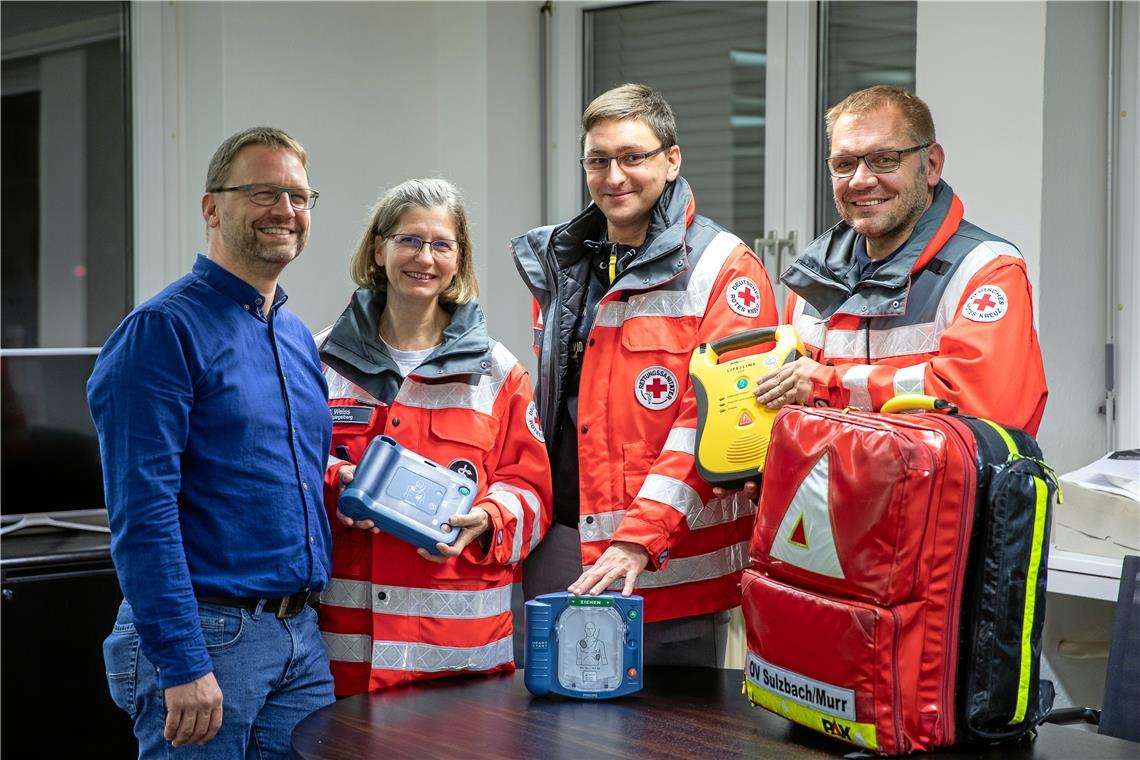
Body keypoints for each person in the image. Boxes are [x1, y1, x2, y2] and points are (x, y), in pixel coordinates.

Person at [511, 83, 779, 667]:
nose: (614, 176)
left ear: (672, 159)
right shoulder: (566, 264)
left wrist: (639, 537)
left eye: (633, 157)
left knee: (672, 741)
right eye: (598, 160)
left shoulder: (723, 269)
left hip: (668, 563)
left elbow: (712, 426)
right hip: (561, 545)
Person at [88, 127, 334, 758]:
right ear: (212, 207)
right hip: (207, 638)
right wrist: (182, 660)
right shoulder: (161, 332)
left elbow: (274, 471)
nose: (285, 211)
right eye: (263, 193)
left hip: (300, 639)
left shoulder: (296, 336)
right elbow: (142, 513)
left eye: (300, 197)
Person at [316, 178, 552, 694]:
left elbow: (532, 493)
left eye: (442, 244)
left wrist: (487, 519)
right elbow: (285, 468)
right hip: (343, 656)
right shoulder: (319, 360)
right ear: (378, 249)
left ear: (458, 260)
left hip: (461, 656)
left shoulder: (497, 370)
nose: (425, 257)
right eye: (409, 240)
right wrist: (338, 484)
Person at [754, 86, 1047, 435]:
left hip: (941, 491)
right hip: (828, 491)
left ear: (931, 166)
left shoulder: (986, 271)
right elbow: (787, 410)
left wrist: (831, 384)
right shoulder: (812, 285)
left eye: (885, 159)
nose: (861, 180)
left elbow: (981, 402)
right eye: (844, 164)